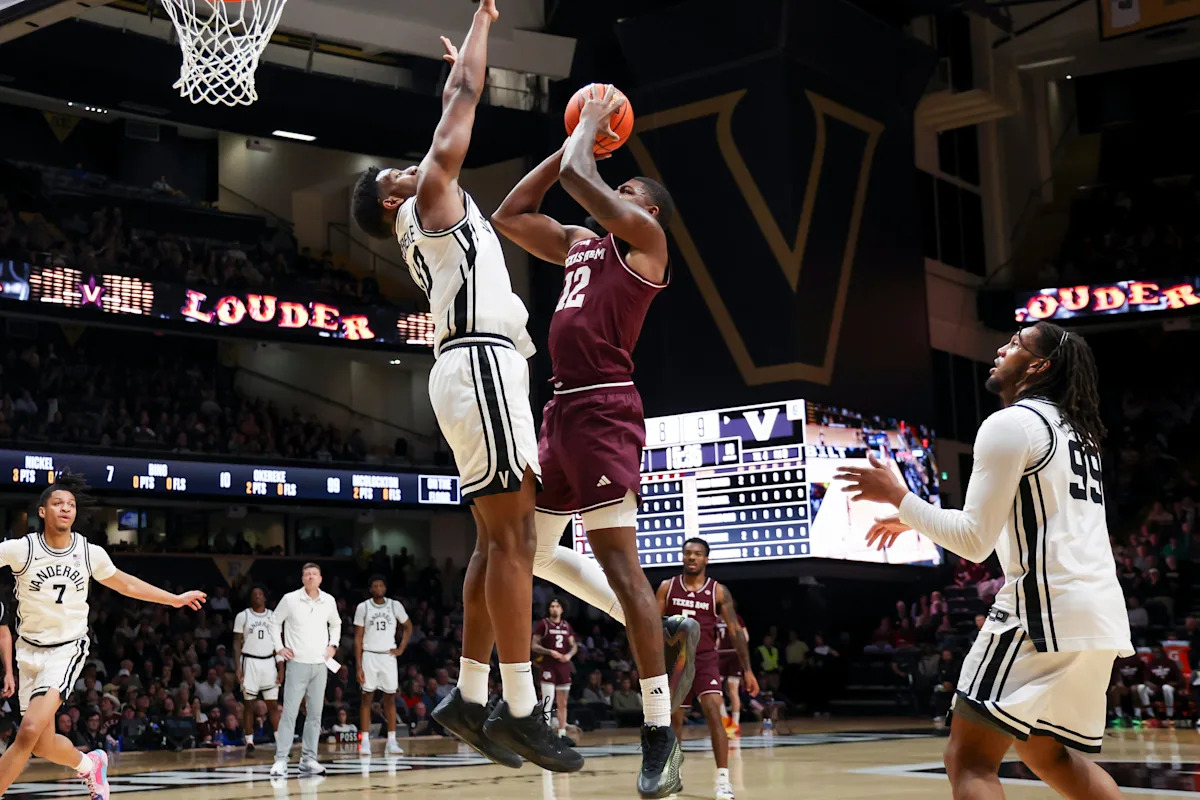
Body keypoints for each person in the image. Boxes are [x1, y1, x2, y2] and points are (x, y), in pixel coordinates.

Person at [349, 0, 580, 774]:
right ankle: (522, 708)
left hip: (471, 367)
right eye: (395, 173)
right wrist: (482, 22)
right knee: (515, 539)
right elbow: (465, 100)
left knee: (495, 540)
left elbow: (454, 110)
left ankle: (470, 694)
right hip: (480, 364)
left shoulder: (429, 209)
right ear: (392, 199)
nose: (409, 166)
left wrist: (458, 75)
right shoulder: (428, 198)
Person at [492, 83, 699, 798]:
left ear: (647, 209)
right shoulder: (583, 243)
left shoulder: (647, 243)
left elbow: (585, 178)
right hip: (558, 411)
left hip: (607, 412)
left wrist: (593, 128)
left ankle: (659, 735)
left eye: (629, 184)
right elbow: (509, 214)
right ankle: (668, 629)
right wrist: (567, 143)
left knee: (618, 565)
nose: (615, 185)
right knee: (533, 551)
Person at [837, 321, 1132, 800]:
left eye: (1016, 344)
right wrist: (913, 519)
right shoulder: (1075, 433)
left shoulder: (1010, 423)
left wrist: (899, 497)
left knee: (969, 758)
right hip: (1096, 615)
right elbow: (1005, 520)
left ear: (1038, 366)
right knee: (1046, 752)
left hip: (1042, 611)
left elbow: (974, 541)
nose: (1001, 347)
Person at [0, 473, 206, 799]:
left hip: (66, 649)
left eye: (70, 504)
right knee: (42, 744)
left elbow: (127, 584)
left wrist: (174, 599)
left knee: (25, 733)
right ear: (42, 511)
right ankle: (89, 763)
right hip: (28, 651)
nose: (66, 509)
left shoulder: (87, 552)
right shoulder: (20, 550)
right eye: (58, 503)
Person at [657, 539, 759, 800]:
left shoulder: (718, 591)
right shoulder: (667, 587)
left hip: (704, 659)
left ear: (706, 560)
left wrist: (747, 670)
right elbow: (651, 627)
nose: (692, 557)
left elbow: (735, 632)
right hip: (675, 659)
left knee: (714, 709)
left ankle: (723, 779)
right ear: (683, 557)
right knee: (675, 720)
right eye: (688, 553)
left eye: (698, 554)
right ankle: (673, 774)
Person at [269, 563, 341, 777]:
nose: (310, 577)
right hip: (297, 663)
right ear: (302, 579)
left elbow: (336, 624)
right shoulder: (290, 599)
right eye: (307, 574)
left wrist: (333, 645)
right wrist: (280, 648)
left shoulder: (329, 600)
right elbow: (274, 622)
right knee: (289, 713)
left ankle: (309, 759)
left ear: (320, 578)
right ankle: (281, 760)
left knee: (315, 715)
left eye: (314, 574)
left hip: (320, 664)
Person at [353, 574, 412, 755]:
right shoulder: (363, 607)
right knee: (366, 699)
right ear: (370, 589)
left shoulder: (395, 605)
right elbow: (358, 638)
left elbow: (408, 626)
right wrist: (358, 665)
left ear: (385, 588)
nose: (378, 588)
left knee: (390, 698)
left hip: (388, 656)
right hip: (369, 655)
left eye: (381, 585)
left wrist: (401, 648)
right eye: (375, 586)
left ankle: (392, 741)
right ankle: (365, 742)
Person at [233, 585, 282, 753]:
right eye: (255, 594)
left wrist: (281, 667)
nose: (258, 597)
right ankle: (249, 742)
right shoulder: (243, 616)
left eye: (261, 594)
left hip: (269, 662)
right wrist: (238, 667)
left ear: (265, 598)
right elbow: (236, 644)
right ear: (251, 598)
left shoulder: (273, 617)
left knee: (273, 705)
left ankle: (279, 742)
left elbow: (278, 644)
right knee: (249, 705)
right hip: (250, 661)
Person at [531, 598, 577, 741]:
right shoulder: (543, 624)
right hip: (548, 666)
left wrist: (569, 655)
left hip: (563, 667)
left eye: (557, 606)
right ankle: (546, 732)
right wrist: (549, 652)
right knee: (548, 700)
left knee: (563, 702)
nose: (554, 609)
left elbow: (574, 646)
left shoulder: (566, 626)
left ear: (562, 609)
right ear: (548, 609)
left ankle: (562, 733)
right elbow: (534, 645)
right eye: (552, 606)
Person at [716, 613, 749, 736]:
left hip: (734, 654)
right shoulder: (716, 618)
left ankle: (735, 723)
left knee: (733, 690)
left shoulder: (736, 618)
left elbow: (746, 637)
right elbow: (716, 637)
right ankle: (725, 719)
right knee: (716, 689)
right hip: (720, 654)